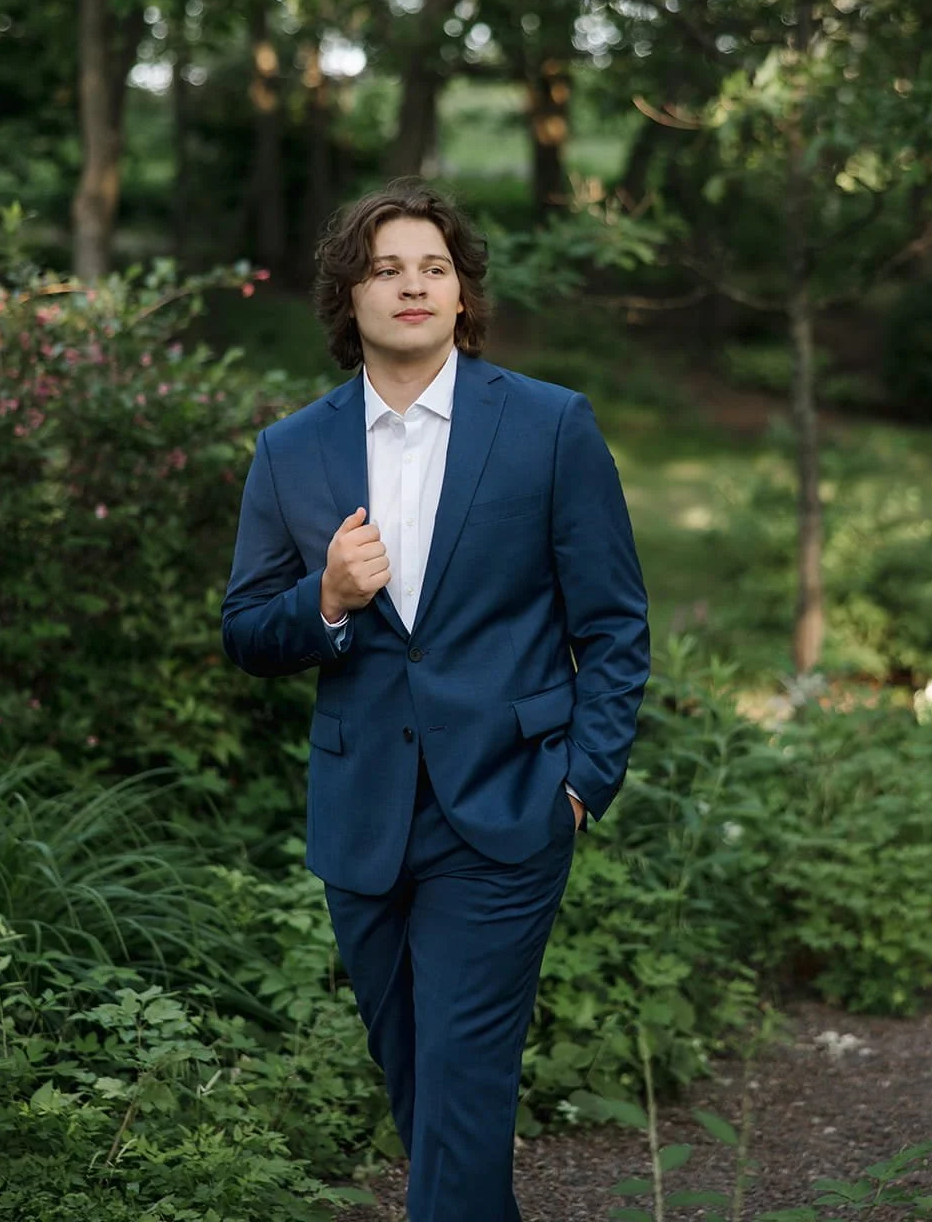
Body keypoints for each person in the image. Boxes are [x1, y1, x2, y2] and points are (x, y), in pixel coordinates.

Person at [221, 182, 649, 1222]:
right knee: (421, 1079)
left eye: (434, 267)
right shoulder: (291, 449)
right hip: (362, 810)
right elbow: (245, 630)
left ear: (461, 295)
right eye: (385, 268)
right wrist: (325, 598)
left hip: (509, 801)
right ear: (348, 297)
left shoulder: (548, 426)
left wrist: (580, 783)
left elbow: (613, 624)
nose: (411, 284)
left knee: (460, 1068)